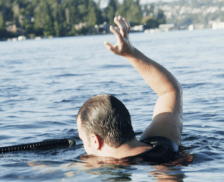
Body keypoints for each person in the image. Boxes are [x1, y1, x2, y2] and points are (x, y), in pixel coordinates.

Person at [76, 16, 184, 164]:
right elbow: (170, 91)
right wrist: (130, 53)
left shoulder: (161, 172)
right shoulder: (164, 143)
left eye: (83, 141)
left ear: (95, 141)